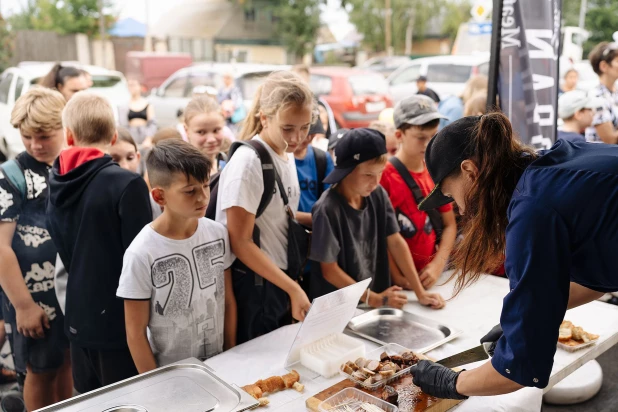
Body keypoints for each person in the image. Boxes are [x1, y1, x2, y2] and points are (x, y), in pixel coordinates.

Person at [409, 112, 618, 400]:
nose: (459, 210)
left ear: (470, 171)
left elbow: (519, 368)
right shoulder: (556, 162)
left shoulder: (532, 211)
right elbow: (600, 272)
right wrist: (529, 316)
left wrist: (454, 382)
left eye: (451, 194)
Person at [46, 92, 152, 394]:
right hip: (122, 326)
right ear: (114, 134)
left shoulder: (56, 183)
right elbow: (142, 262)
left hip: (78, 319)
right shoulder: (126, 184)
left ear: (68, 135)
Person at [117, 140, 236, 373]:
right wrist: (157, 386)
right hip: (171, 376)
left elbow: (228, 300)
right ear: (159, 197)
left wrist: (231, 353)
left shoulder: (218, 233)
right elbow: (135, 333)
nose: (203, 197)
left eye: (205, 186)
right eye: (190, 191)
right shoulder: (141, 253)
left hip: (220, 366)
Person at [215, 71, 312, 343]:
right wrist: (292, 289)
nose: (297, 137)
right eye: (288, 128)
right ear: (264, 118)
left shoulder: (285, 153)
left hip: (281, 283)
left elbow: (277, 216)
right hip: (258, 289)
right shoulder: (249, 162)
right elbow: (239, 241)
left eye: (305, 127)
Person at [309, 128, 445, 309]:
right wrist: (372, 299)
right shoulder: (327, 209)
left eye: (380, 173)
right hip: (337, 308)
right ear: (346, 172)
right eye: (368, 175)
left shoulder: (377, 194)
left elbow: (395, 241)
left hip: (376, 298)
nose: (375, 182)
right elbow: (329, 270)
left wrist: (419, 292)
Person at [0, 88, 71, 410]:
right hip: (32, 296)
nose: (35, 145)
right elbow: (0, 247)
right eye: (27, 136)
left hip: (71, 290)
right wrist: (23, 306)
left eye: (44, 136)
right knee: (39, 372)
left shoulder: (73, 164)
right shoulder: (12, 175)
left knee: (69, 365)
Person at [380, 95, 457, 290]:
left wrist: (438, 265)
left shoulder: (436, 173)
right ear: (399, 135)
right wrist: (399, 277)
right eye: (421, 138)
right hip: (397, 283)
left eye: (434, 136)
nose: (429, 144)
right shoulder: (384, 176)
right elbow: (381, 236)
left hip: (431, 278)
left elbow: (449, 225)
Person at [184, 96, 228, 176]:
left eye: (216, 130)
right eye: (201, 132)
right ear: (187, 131)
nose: (211, 139)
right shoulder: (183, 173)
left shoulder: (226, 165)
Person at [586, 42, 618, 143]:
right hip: (604, 156)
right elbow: (610, 139)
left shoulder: (614, 91)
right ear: (604, 66)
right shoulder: (596, 96)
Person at [119, 79, 157, 150]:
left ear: (140, 86)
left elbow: (152, 123)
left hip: (145, 135)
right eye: (129, 85)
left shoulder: (148, 104)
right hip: (131, 135)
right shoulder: (124, 106)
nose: (131, 87)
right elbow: (123, 126)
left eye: (133, 85)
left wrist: (148, 139)